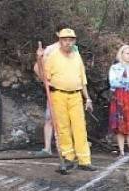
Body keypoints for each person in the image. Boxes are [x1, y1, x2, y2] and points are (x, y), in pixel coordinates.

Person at [41, 28, 96, 171]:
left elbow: (82, 79)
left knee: (80, 127)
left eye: (70, 40)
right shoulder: (52, 56)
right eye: (65, 40)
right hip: (58, 95)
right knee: (63, 128)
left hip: (76, 95)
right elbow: (44, 76)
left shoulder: (77, 56)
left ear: (74, 41)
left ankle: (84, 160)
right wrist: (40, 59)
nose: (68, 43)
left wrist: (87, 98)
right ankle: (68, 157)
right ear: (60, 41)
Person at [33, 22, 77, 156]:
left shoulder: (74, 50)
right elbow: (37, 67)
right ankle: (47, 148)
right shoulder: (50, 50)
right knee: (50, 118)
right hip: (55, 89)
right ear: (58, 34)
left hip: (70, 89)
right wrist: (45, 80)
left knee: (67, 120)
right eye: (64, 34)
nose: (67, 39)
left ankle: (65, 150)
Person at [108, 45, 129, 156]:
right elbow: (113, 82)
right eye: (127, 53)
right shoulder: (114, 68)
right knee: (119, 126)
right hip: (118, 98)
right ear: (121, 54)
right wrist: (126, 81)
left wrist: (122, 81)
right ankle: (121, 152)